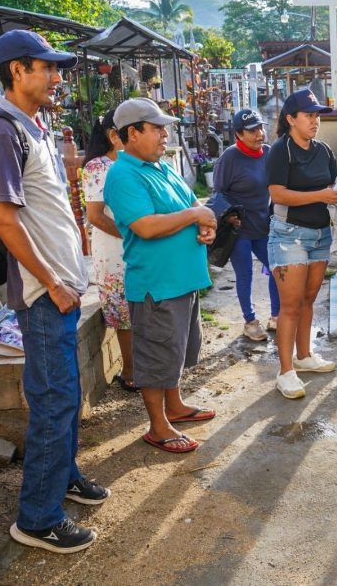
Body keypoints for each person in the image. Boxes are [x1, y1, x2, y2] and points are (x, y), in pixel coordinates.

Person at [0, 29, 106, 554]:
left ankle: (63, 476)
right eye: (47, 68)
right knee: (54, 400)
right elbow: (5, 220)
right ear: (16, 71)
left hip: (62, 285)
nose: (57, 77)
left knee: (64, 393)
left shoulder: (35, 126)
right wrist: (53, 281)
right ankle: (36, 517)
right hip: (42, 292)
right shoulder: (1, 132)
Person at [103, 98, 218, 454]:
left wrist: (206, 221)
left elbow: (191, 204)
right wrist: (196, 218)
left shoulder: (161, 167)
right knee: (156, 356)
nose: (165, 134)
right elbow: (146, 226)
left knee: (177, 350)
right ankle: (158, 425)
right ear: (131, 134)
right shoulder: (123, 175)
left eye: (164, 127)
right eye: (156, 128)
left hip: (182, 279)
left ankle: (177, 405)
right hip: (157, 284)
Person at [266, 88, 337, 399]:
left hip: (321, 234)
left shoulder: (323, 151)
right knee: (291, 305)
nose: (315, 121)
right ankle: (285, 372)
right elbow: (277, 194)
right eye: (309, 115)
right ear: (291, 119)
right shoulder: (280, 151)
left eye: (317, 115)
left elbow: (335, 185)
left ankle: (305, 355)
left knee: (309, 300)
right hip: (289, 235)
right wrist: (320, 196)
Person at [209, 109, 280, 341]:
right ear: (239, 134)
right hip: (238, 230)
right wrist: (228, 216)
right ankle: (250, 321)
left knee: (277, 269)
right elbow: (218, 194)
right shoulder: (229, 158)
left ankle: (276, 316)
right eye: (252, 130)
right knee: (245, 275)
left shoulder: (269, 153)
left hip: (263, 226)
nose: (259, 133)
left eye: (260, 127)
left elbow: (275, 188)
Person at [81, 110, 136, 390]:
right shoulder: (97, 168)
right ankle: (130, 371)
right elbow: (96, 215)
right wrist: (130, 235)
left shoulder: (132, 163)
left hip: (136, 246)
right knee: (124, 312)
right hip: (114, 248)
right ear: (113, 136)